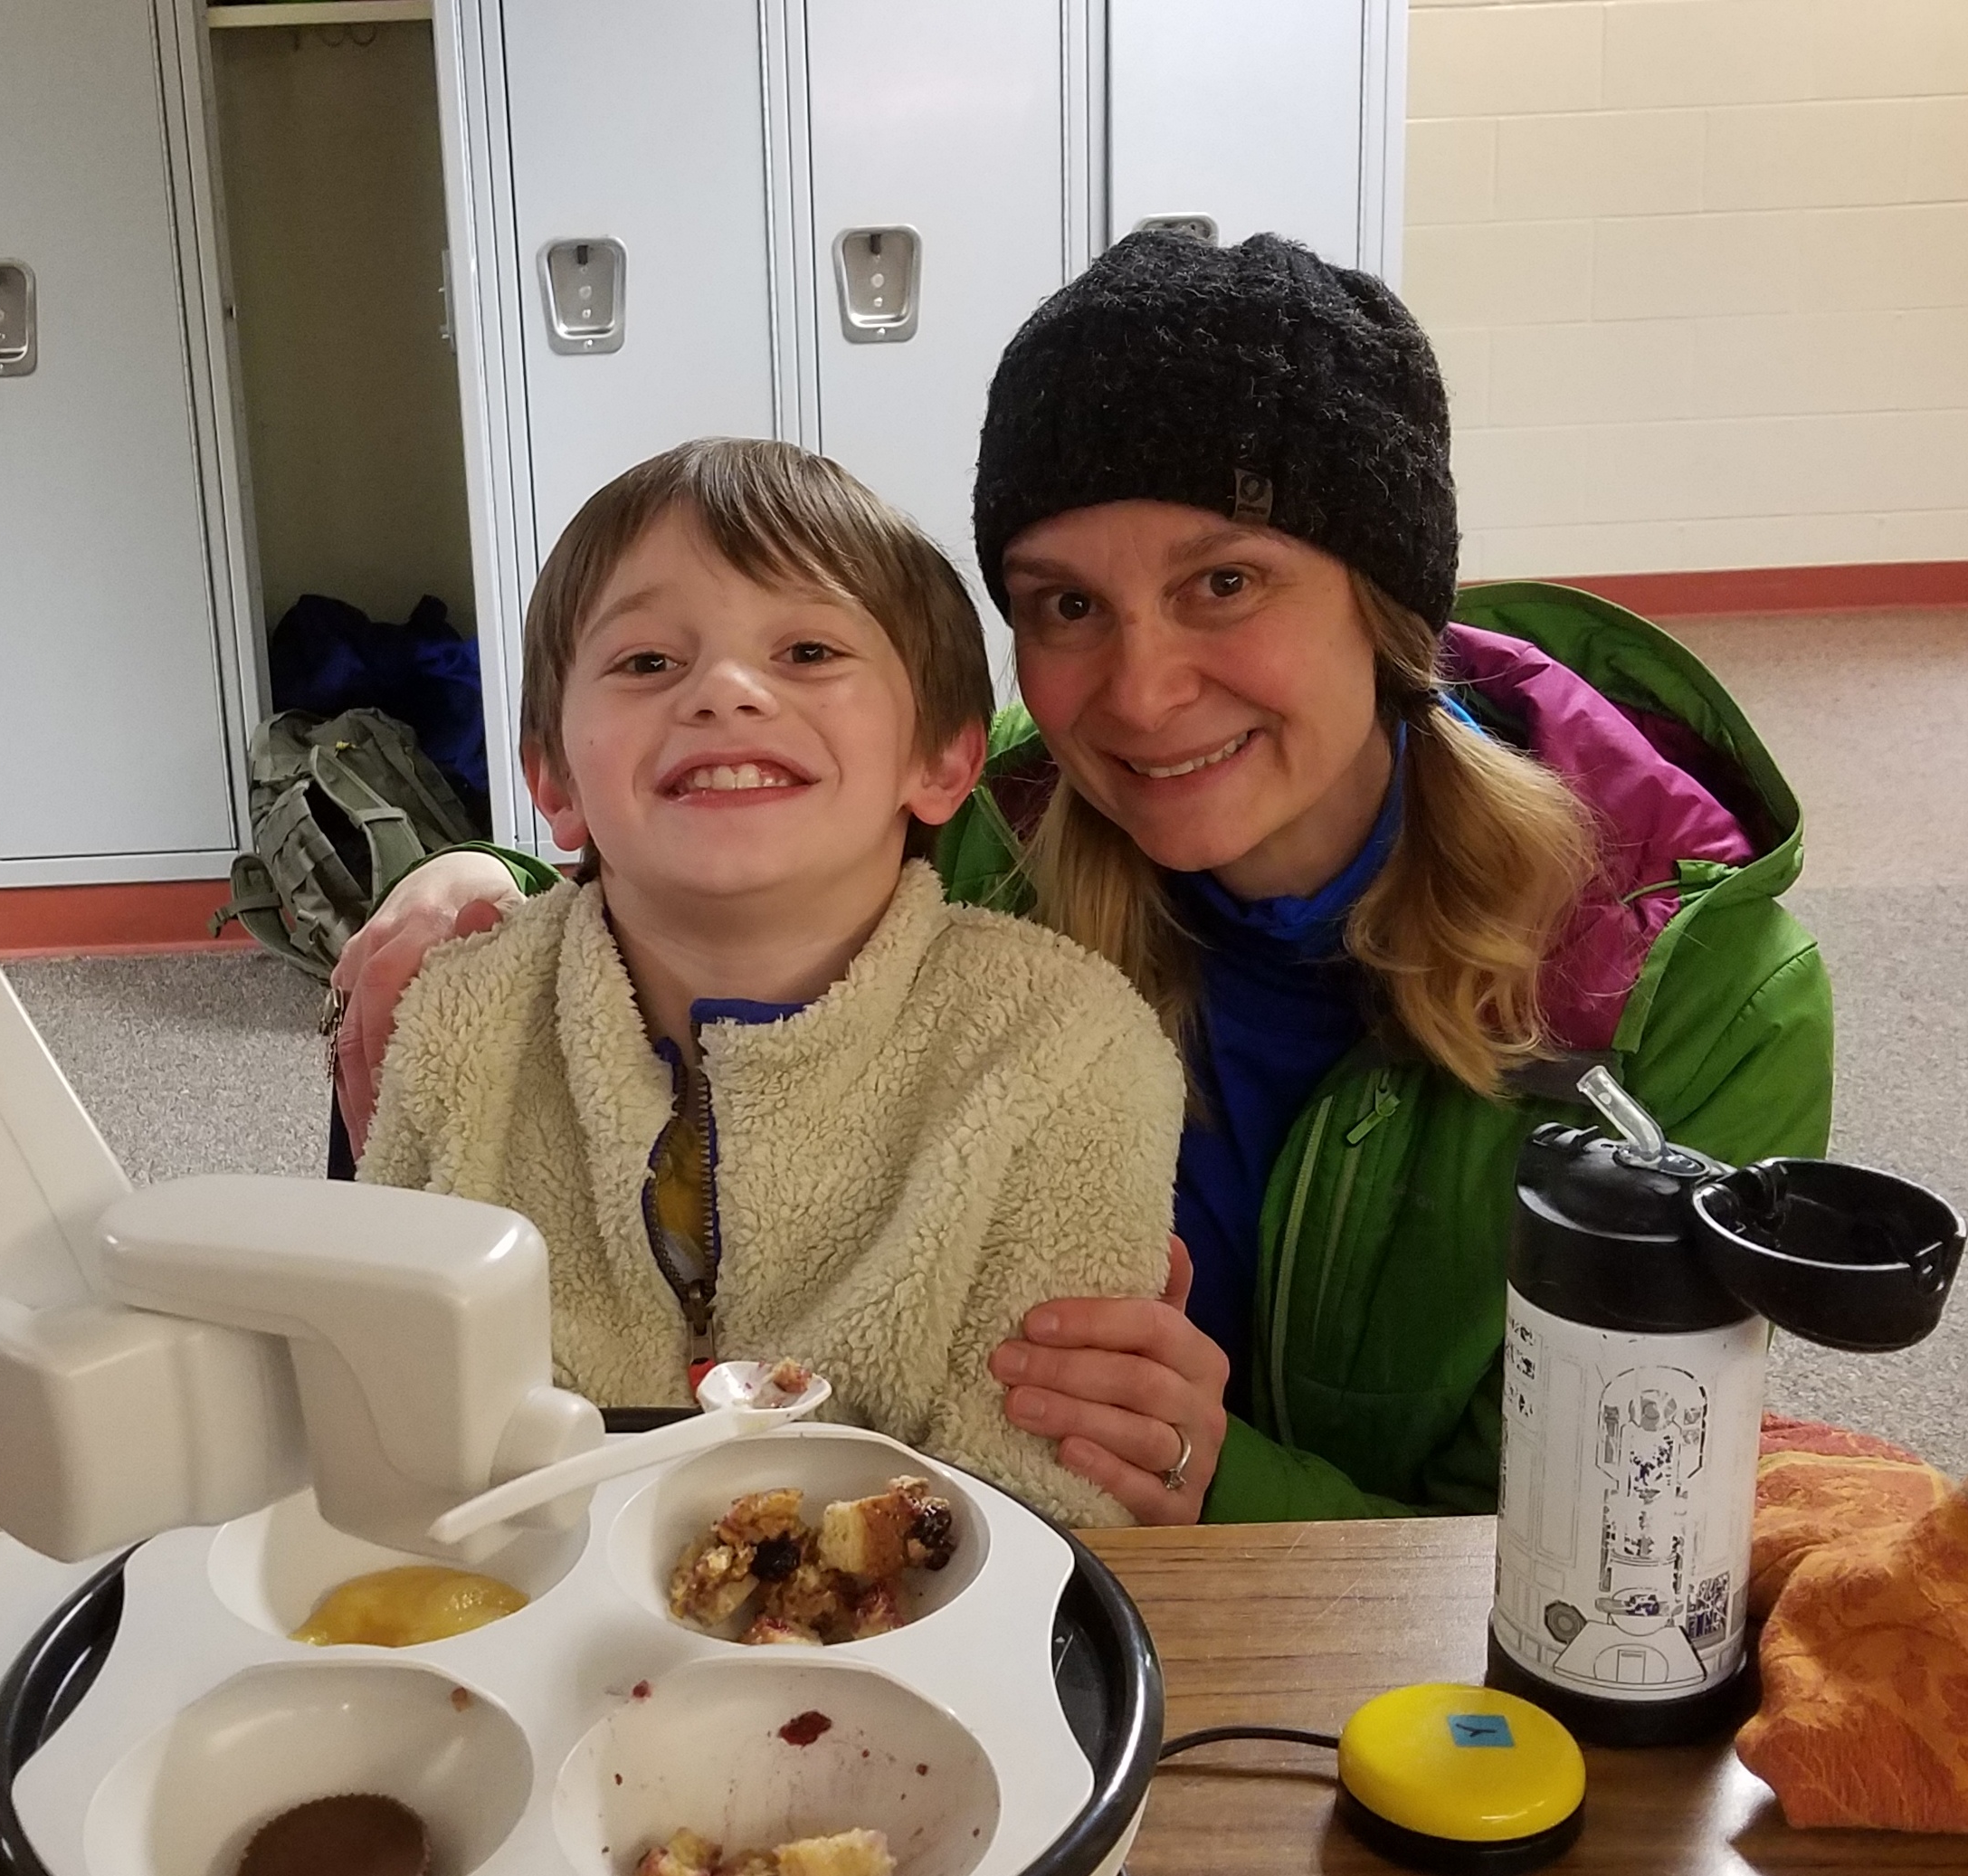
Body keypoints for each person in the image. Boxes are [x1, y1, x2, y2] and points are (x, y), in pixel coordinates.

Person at [336, 231, 1833, 1527]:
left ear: (1386, 599)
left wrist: (1219, 1474)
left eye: (1224, 582)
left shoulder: (1692, 996)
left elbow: (1591, 1536)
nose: (1140, 690)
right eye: (1065, 604)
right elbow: (731, 864)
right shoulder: (1003, 813)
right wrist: (478, 875)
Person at [355, 437, 1184, 1530]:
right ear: (553, 778)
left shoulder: (1066, 1047)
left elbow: (1035, 1505)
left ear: (943, 758)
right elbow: (386, 1417)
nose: (725, 692)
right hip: (520, 1610)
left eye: (806, 650)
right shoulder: (459, 1017)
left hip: (912, 1624)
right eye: (648, 661)